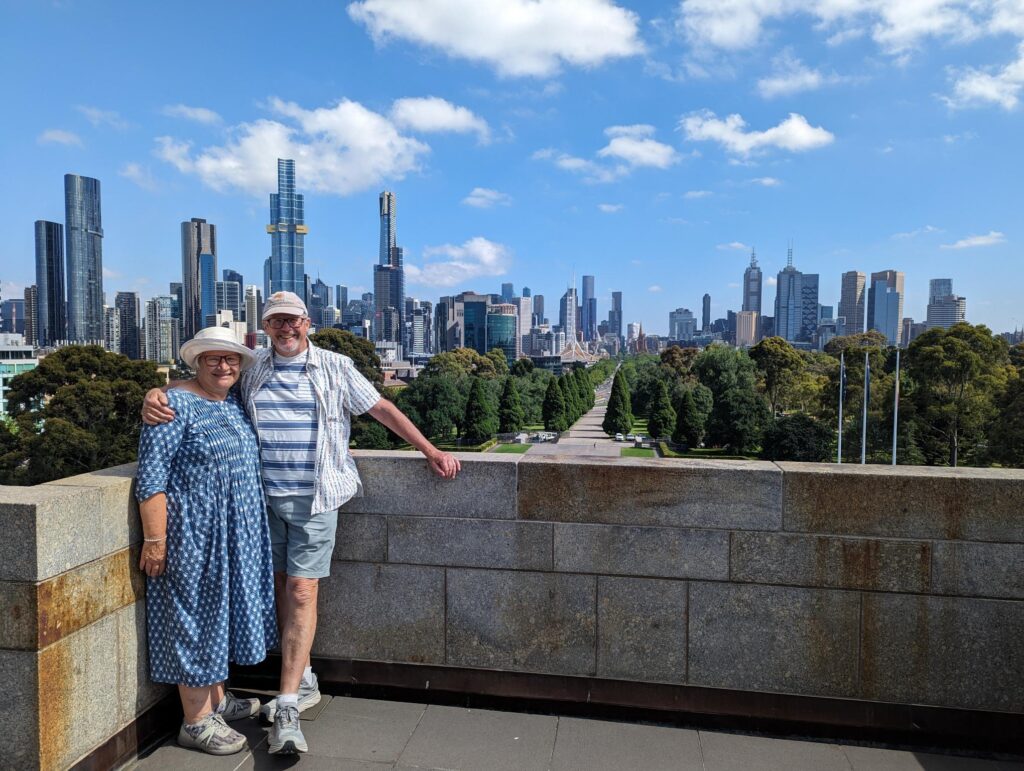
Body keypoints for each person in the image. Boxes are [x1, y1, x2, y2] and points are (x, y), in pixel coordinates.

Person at [143, 291, 461, 755]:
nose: (286, 328)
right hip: (259, 508)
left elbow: (381, 409)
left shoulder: (334, 366)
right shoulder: (254, 370)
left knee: (302, 590)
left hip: (315, 498)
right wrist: (154, 394)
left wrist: (429, 449)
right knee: (274, 590)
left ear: (308, 322)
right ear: (265, 329)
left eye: (293, 320)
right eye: (276, 322)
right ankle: (300, 677)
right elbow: (198, 391)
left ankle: (288, 699)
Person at [136, 327, 278, 756]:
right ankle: (195, 721)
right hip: (193, 537)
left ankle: (216, 701)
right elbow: (151, 477)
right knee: (193, 618)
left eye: (231, 359)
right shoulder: (173, 406)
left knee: (219, 615)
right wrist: (155, 539)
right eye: (214, 359)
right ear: (196, 363)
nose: (224, 366)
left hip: (233, 537)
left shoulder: (232, 404)